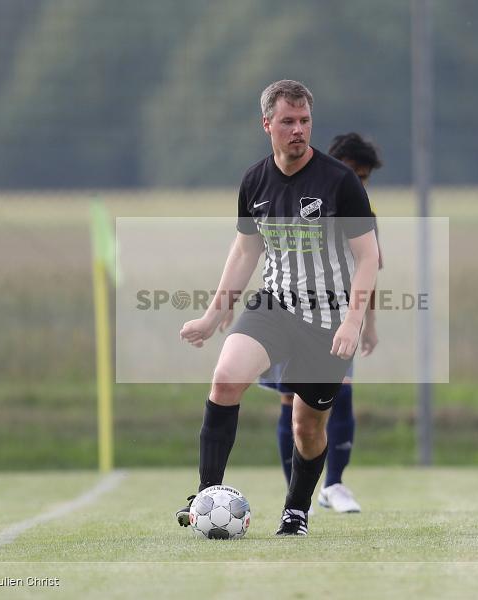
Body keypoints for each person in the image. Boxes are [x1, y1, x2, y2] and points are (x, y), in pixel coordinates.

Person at [176, 80, 379, 536]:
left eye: (304, 121)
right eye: (288, 121)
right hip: (273, 305)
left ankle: (296, 510)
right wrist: (213, 315)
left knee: (306, 427)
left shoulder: (339, 181)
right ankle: (207, 497)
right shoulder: (254, 180)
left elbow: (368, 258)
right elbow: (245, 251)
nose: (298, 130)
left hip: (327, 319)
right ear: (267, 124)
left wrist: (352, 320)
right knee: (226, 379)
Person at [253, 133, 383, 514]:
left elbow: (369, 267)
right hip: (287, 313)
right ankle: (298, 495)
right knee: (291, 400)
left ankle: (335, 484)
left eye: (364, 177)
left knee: (340, 394)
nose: (358, 183)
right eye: (353, 173)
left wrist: (368, 324)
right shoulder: (304, 198)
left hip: (337, 317)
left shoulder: (362, 212)